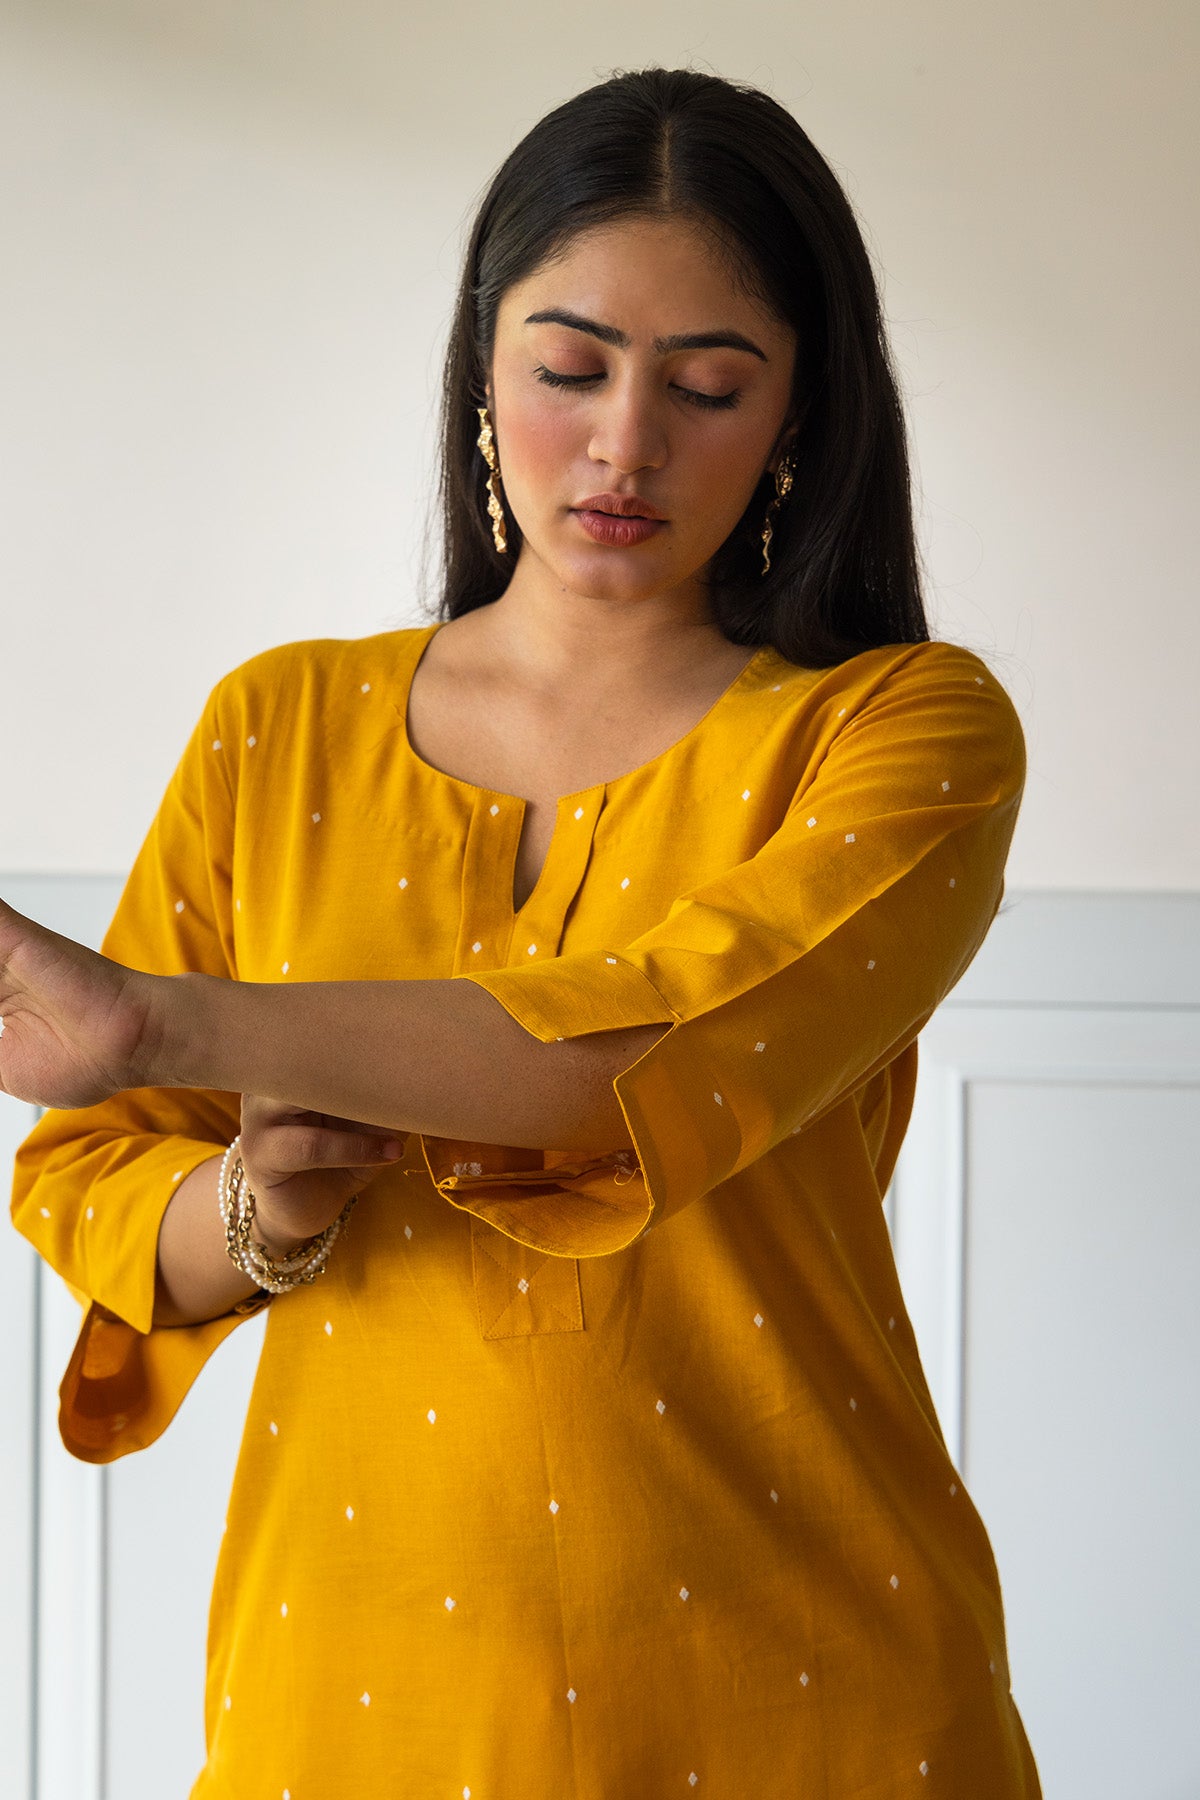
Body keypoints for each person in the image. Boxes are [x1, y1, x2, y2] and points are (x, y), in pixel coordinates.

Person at [4, 65, 1042, 1798]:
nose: (624, 446)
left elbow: (652, 1047)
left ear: (802, 414)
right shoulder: (278, 727)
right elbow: (93, 1181)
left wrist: (172, 1026)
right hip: (354, 1682)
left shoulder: (902, 734)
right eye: (568, 370)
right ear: (482, 372)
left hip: (810, 1687)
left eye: (708, 388)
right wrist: (255, 1211)